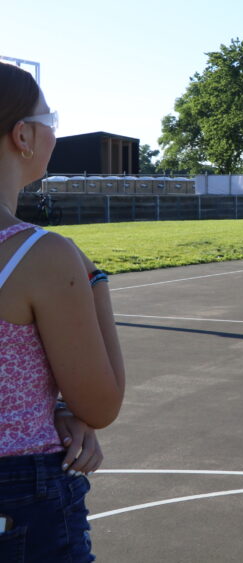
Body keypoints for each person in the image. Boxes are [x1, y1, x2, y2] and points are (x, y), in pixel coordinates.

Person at [0, 62, 125, 560]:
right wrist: (95, 282)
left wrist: (48, 407)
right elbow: (100, 404)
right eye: (48, 118)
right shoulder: (40, 254)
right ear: (22, 135)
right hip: (20, 495)